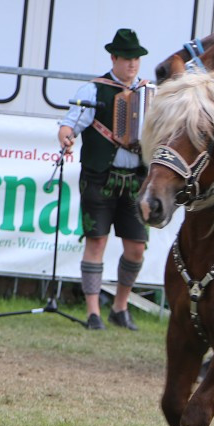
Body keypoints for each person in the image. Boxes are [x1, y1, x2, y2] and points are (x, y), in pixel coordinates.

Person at [57, 29, 151, 331]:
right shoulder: (93, 90)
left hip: (136, 180)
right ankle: (93, 312)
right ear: (114, 58)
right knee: (96, 241)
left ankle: (120, 307)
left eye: (136, 59)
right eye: (127, 58)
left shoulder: (150, 93)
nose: (132, 64)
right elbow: (70, 124)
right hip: (99, 176)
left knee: (136, 246)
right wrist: (66, 138)